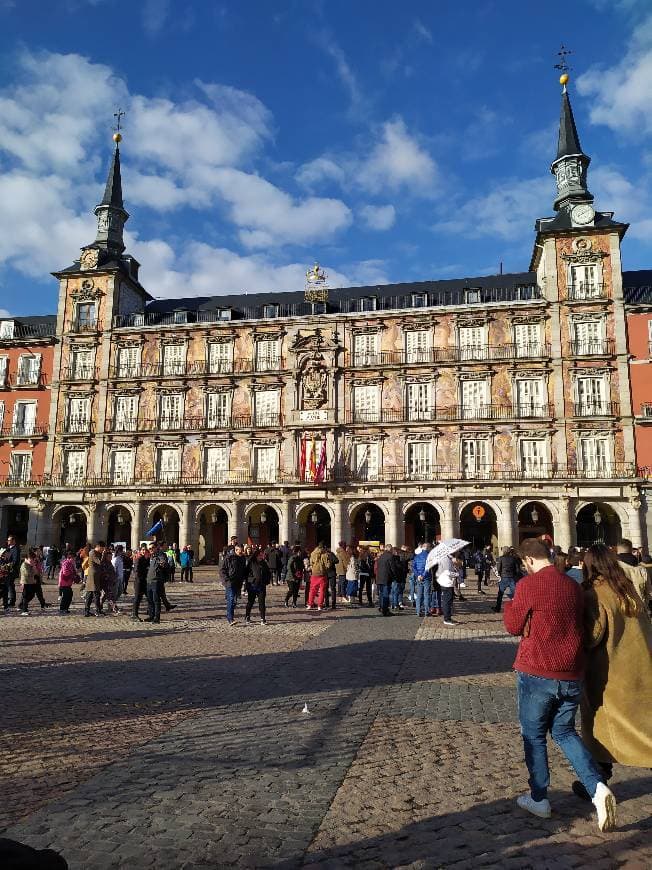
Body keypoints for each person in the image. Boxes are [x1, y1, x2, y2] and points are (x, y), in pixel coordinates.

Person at [503, 537, 616, 832]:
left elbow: (513, 626)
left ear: (528, 561)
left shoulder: (528, 585)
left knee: (534, 736)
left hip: (538, 670)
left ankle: (539, 798)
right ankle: (597, 789)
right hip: (571, 673)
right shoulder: (572, 585)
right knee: (565, 732)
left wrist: (510, 605)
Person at [570, 544, 652, 804]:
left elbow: (594, 635)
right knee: (645, 726)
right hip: (639, 668)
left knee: (599, 726)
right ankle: (598, 776)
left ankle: (597, 780)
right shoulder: (626, 588)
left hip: (608, 673)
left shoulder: (595, 593)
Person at [222, 543, 247, 625]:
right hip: (230, 582)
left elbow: (244, 570)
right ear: (236, 550)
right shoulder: (229, 557)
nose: (241, 552)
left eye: (242, 551)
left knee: (235, 601)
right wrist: (226, 579)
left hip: (238, 582)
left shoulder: (242, 558)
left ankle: (229, 615)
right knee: (231, 599)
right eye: (240, 551)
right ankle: (230, 619)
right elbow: (222, 569)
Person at [244, 549, 271, 624]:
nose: (261, 557)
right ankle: (247, 616)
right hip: (252, 586)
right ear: (256, 555)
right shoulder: (251, 562)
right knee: (250, 602)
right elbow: (246, 574)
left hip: (261, 586)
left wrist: (266, 581)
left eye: (262, 555)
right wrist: (250, 581)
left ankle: (263, 618)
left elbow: (268, 573)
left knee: (262, 603)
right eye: (260, 555)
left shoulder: (264, 563)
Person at [145, 541, 169, 624]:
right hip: (149, 581)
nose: (150, 550)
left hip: (156, 580)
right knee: (150, 600)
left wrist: (162, 563)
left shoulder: (160, 555)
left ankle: (156, 618)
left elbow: (163, 563)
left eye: (152, 548)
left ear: (156, 548)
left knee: (156, 600)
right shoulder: (151, 556)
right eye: (149, 549)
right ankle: (151, 616)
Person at [493, 546, 522, 613]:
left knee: (500, 594)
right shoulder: (513, 559)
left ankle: (497, 608)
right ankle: (518, 608)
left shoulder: (501, 558)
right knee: (515, 594)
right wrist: (514, 575)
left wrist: (500, 575)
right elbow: (517, 569)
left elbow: (498, 568)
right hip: (512, 577)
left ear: (503, 551)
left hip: (504, 578)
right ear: (509, 551)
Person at [435, 553, 458, 626]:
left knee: (448, 600)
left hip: (447, 582)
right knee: (447, 601)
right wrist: (456, 574)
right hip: (446, 582)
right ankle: (447, 619)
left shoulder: (448, 558)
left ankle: (448, 617)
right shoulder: (446, 559)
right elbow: (447, 572)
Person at [374, 544, 397, 616]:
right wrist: (394, 577)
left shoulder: (381, 556)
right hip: (386, 578)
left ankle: (381, 607)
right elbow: (393, 568)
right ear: (390, 549)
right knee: (386, 594)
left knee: (381, 594)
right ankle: (385, 610)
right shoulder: (390, 556)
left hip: (379, 578)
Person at [307, 542, 330, 611]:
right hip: (322, 574)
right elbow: (327, 565)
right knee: (322, 591)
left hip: (314, 573)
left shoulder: (313, 553)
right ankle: (320, 606)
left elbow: (311, 563)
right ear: (323, 547)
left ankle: (310, 604)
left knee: (312, 590)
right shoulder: (325, 554)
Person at [84, 541, 104, 617]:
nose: (102, 550)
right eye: (102, 549)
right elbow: (100, 562)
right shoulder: (92, 552)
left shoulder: (97, 553)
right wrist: (104, 554)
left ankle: (89, 611)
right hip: (93, 577)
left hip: (95, 576)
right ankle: (96, 611)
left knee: (92, 594)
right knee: (94, 594)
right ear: (98, 547)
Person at [1, 535, 21, 610]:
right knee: (9, 585)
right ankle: (9, 600)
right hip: (6, 570)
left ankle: (11, 601)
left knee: (10, 585)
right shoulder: (8, 548)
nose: (8, 541)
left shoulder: (16, 549)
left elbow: (15, 561)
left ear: (13, 541)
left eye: (9, 540)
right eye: (8, 540)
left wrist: (8, 566)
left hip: (11, 571)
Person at [412, 542, 431, 617]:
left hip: (419, 577)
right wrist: (423, 575)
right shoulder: (429, 556)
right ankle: (426, 611)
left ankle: (418, 611)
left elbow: (413, 567)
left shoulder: (417, 556)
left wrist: (418, 575)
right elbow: (427, 568)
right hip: (426, 577)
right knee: (426, 595)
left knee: (419, 594)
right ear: (428, 548)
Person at [132, 544, 150, 622]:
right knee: (137, 598)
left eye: (145, 550)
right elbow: (136, 571)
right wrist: (141, 578)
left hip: (144, 581)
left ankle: (150, 613)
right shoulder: (138, 558)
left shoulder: (146, 558)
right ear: (140, 550)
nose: (144, 551)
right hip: (139, 581)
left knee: (149, 597)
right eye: (143, 550)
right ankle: (134, 615)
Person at [18, 548, 38, 615]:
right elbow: (27, 574)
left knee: (32, 595)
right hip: (25, 583)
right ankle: (24, 610)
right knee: (25, 596)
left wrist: (33, 568)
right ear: (27, 558)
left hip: (30, 582)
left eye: (33, 559)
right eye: (31, 559)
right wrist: (33, 568)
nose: (32, 561)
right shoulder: (24, 565)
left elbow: (35, 573)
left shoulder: (30, 565)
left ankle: (22, 605)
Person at [58, 549, 78, 614]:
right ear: (70, 557)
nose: (74, 560)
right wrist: (73, 575)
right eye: (74, 558)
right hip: (64, 582)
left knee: (69, 595)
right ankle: (62, 608)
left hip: (67, 582)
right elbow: (65, 572)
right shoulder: (66, 563)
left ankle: (65, 608)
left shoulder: (70, 564)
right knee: (66, 596)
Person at [391, 546, 409, 610]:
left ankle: (394, 604)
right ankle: (396, 604)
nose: (399, 553)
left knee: (394, 591)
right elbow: (398, 567)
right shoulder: (396, 558)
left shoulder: (394, 558)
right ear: (395, 552)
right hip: (397, 577)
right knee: (396, 591)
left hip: (396, 577)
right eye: (398, 551)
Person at [324, 545, 338, 610]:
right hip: (331, 573)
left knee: (326, 589)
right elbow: (337, 561)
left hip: (326, 573)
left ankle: (327, 604)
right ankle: (333, 604)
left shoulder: (323, 555)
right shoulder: (331, 554)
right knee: (332, 589)